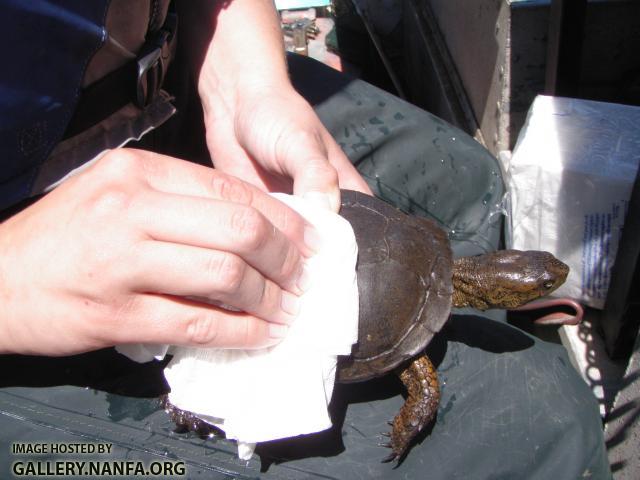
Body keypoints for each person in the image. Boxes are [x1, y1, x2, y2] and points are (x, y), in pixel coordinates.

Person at [0, 1, 611, 478]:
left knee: (473, 181)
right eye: (541, 277)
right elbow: (422, 393)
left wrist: (243, 79)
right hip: (30, 285)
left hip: (154, 95)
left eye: (538, 275)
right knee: (547, 425)